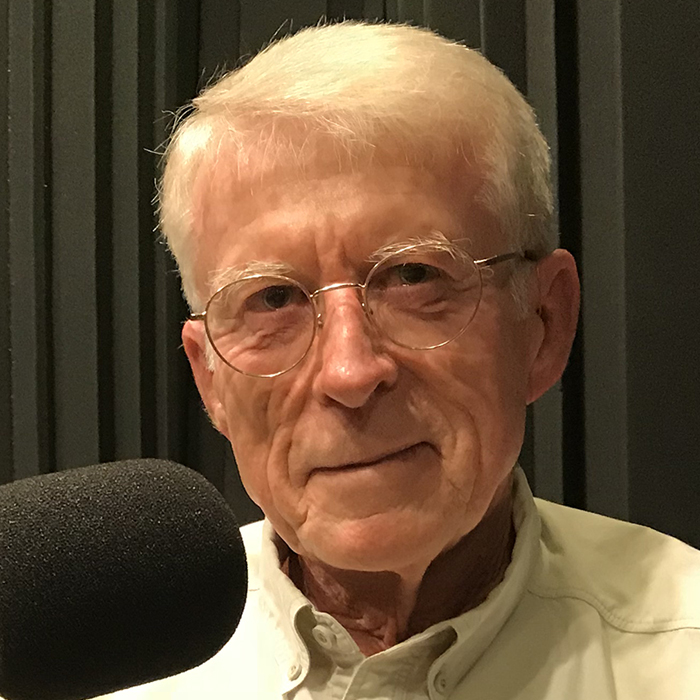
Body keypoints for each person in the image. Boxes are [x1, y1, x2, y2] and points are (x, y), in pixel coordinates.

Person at [111, 21, 699, 699]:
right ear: (209, 376)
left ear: (543, 324)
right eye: (272, 298)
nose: (350, 373)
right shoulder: (100, 674)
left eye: (414, 278)